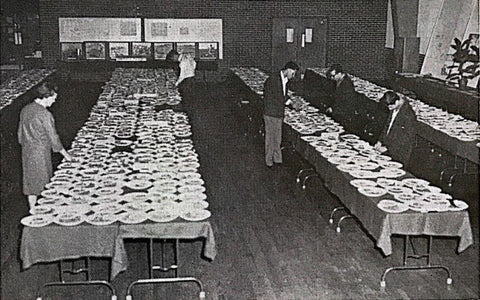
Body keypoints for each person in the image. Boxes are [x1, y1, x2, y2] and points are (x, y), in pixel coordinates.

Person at [18, 82, 71, 209]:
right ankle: (46, 212)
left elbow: (20, 135)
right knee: (45, 183)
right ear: (46, 96)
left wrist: (28, 143)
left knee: (30, 183)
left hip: (26, 151)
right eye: (53, 98)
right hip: (40, 153)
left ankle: (32, 209)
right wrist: (66, 155)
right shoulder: (45, 114)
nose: (53, 102)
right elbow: (54, 138)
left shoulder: (25, 109)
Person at [263, 61, 299, 167]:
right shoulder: (273, 80)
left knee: (277, 137)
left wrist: (290, 101)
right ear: (287, 69)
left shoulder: (286, 80)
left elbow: (284, 95)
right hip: (271, 112)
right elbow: (278, 97)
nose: (293, 76)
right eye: (293, 73)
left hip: (278, 112)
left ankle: (277, 158)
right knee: (270, 137)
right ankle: (268, 160)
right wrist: (291, 104)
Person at [374, 91, 416, 166]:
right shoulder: (394, 107)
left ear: (397, 102)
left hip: (398, 152)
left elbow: (405, 138)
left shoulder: (409, 115)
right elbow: (387, 127)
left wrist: (388, 148)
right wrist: (380, 141)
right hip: (388, 148)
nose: (390, 109)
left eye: (391, 107)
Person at [325, 64, 359, 132]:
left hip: (344, 113)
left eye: (333, 76)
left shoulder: (347, 84)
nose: (332, 78)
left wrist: (333, 109)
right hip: (339, 111)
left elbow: (345, 101)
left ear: (340, 73)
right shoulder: (338, 81)